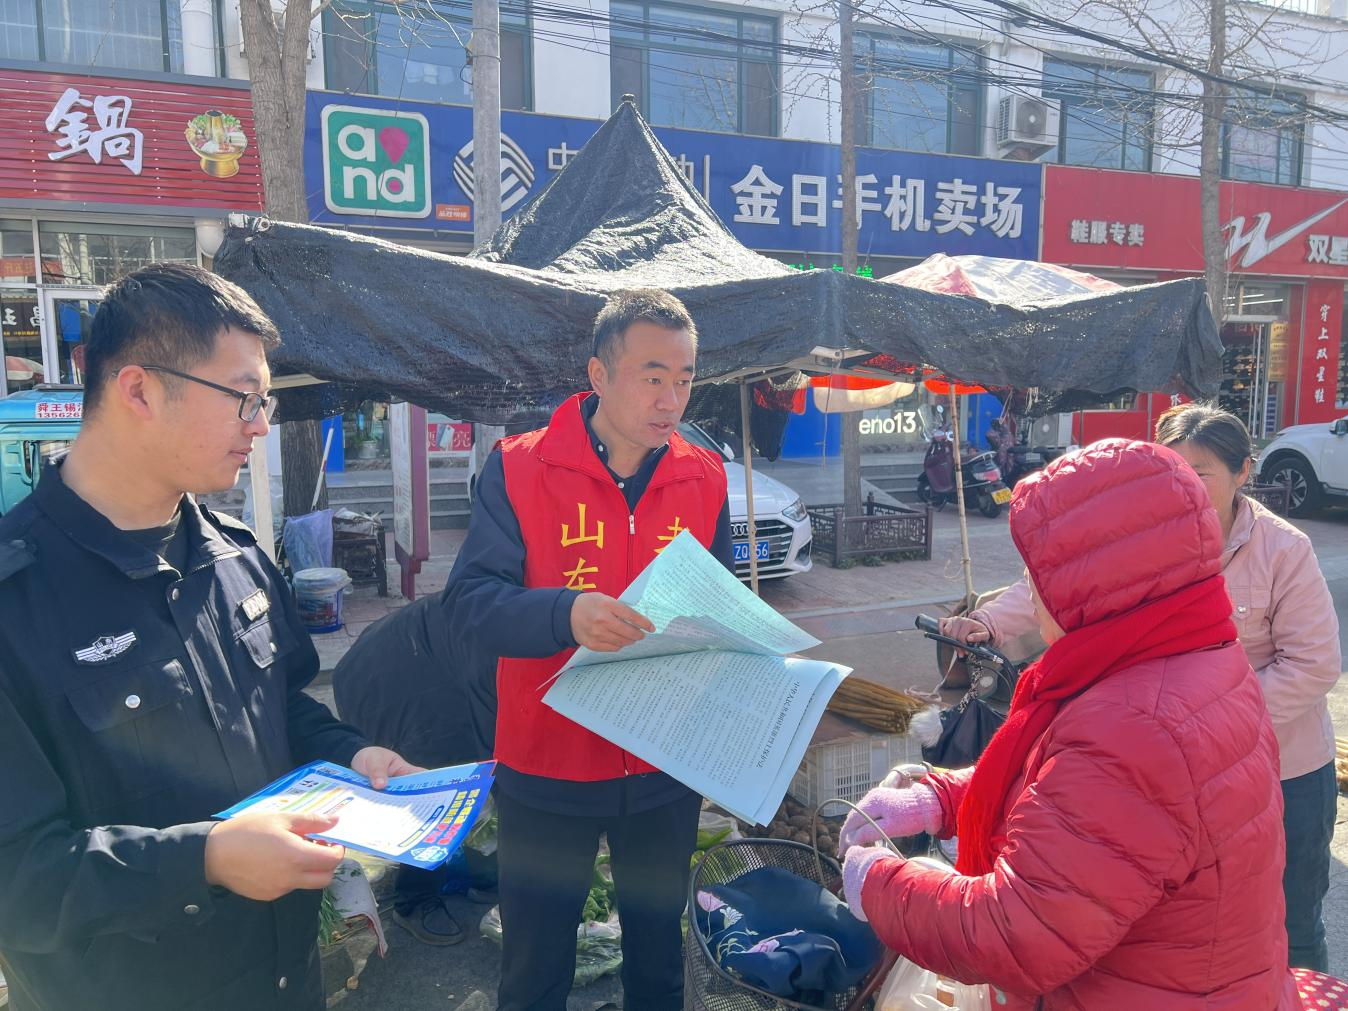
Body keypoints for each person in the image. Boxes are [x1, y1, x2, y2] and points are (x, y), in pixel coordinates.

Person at [0, 263, 418, 1010]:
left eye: (264, 402)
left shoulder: (236, 555)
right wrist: (206, 860)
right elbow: (18, 877)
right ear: (139, 390)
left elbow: (282, 706)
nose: (260, 424)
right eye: (244, 398)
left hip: (285, 978)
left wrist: (351, 756)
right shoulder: (16, 601)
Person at [841, 439, 1297, 1008]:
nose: (1032, 595)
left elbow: (1018, 932)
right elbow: (1074, 804)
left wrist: (878, 884)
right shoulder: (1191, 656)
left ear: (1103, 584)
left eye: (1041, 575)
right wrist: (945, 799)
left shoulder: (1135, 726)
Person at [942, 402, 1341, 972]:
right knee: (1196, 927)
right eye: (1172, 471)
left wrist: (1211, 727)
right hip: (1170, 774)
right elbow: (1051, 584)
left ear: (1243, 473)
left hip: (1282, 770)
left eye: (1200, 473)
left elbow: (1313, 664)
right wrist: (989, 622)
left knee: (1292, 922)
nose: (1185, 486)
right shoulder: (1141, 533)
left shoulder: (1283, 549)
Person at [442, 289, 733, 1011]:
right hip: (548, 762)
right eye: (652, 375)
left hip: (662, 762)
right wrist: (564, 614)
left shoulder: (705, 475)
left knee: (659, 962)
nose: (671, 399)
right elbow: (470, 604)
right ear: (598, 374)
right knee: (536, 967)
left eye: (685, 379)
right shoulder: (520, 467)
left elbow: (720, 605)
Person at [332, 594, 499, 944]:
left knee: (485, 775)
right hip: (389, 679)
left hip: (437, 662)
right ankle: (414, 899)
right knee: (429, 787)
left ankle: (486, 878)